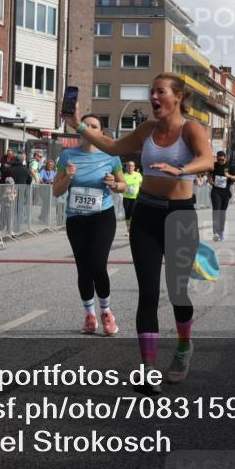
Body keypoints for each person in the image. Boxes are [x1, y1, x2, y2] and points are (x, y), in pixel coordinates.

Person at [63, 73, 213, 392]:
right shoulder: (146, 130)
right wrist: (76, 123)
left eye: (160, 92)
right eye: (151, 93)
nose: (153, 98)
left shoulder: (191, 129)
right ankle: (148, 371)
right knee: (148, 294)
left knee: (177, 293)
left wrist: (181, 170)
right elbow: (112, 145)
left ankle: (184, 348)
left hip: (179, 216)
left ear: (178, 97)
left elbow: (207, 159)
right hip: (146, 213)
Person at [52, 114, 127, 336]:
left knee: (97, 264)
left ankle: (106, 311)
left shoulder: (111, 156)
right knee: (83, 269)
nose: (91, 129)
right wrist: (68, 177)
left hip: (102, 217)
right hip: (76, 219)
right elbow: (56, 191)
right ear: (81, 131)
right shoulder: (67, 156)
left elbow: (123, 185)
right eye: (88, 126)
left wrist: (114, 184)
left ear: (101, 132)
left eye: (95, 126)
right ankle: (90, 315)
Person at [209, 151, 235, 240]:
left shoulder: (230, 166)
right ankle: (215, 232)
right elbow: (209, 174)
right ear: (216, 158)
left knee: (222, 212)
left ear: (225, 158)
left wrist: (229, 176)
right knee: (216, 210)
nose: (220, 161)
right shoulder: (214, 165)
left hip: (226, 192)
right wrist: (210, 180)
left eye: (222, 159)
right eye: (218, 159)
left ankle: (221, 231)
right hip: (216, 191)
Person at [122, 161, 143, 232]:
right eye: (128, 166)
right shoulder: (123, 176)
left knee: (133, 213)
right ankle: (128, 229)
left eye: (131, 166)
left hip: (135, 198)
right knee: (127, 214)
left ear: (134, 167)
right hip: (126, 197)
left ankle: (134, 228)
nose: (130, 167)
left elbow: (141, 184)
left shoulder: (138, 175)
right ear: (126, 167)